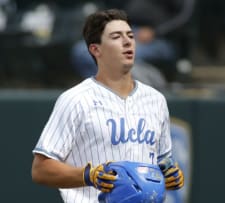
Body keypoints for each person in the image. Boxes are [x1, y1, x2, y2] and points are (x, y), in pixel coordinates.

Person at [31, 9, 184, 203]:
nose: (127, 41)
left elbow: (164, 163)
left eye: (130, 35)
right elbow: (40, 169)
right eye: (116, 37)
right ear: (96, 49)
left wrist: (170, 176)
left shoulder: (156, 100)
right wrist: (88, 176)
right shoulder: (75, 99)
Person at [71, 0, 195, 83]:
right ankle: (102, 91)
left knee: (115, 55)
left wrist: (156, 31)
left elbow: (185, 16)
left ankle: (119, 94)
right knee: (82, 50)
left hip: (159, 39)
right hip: (126, 29)